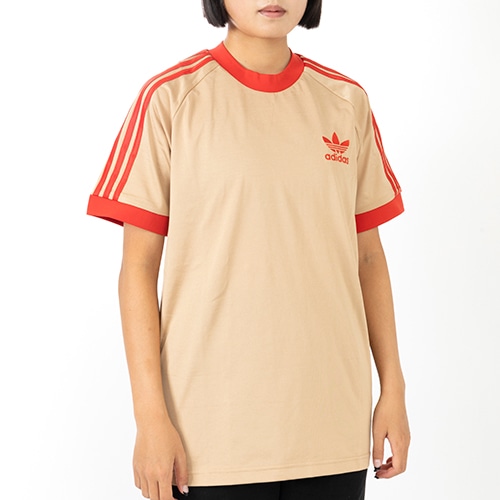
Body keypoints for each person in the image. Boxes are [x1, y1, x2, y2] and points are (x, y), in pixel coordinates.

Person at [87, 1, 410, 499]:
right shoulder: (171, 98)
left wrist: (393, 389)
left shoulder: (346, 101)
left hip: (332, 424)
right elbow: (138, 267)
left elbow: (369, 258)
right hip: (209, 435)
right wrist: (150, 418)